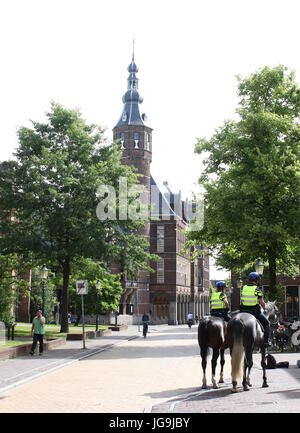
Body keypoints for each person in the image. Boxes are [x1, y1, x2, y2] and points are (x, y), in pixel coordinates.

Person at [240, 272, 270, 347]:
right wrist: (265, 308)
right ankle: (266, 341)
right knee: (267, 323)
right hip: (254, 312)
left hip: (243, 311)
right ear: (256, 280)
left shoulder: (243, 288)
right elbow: (261, 302)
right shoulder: (257, 290)